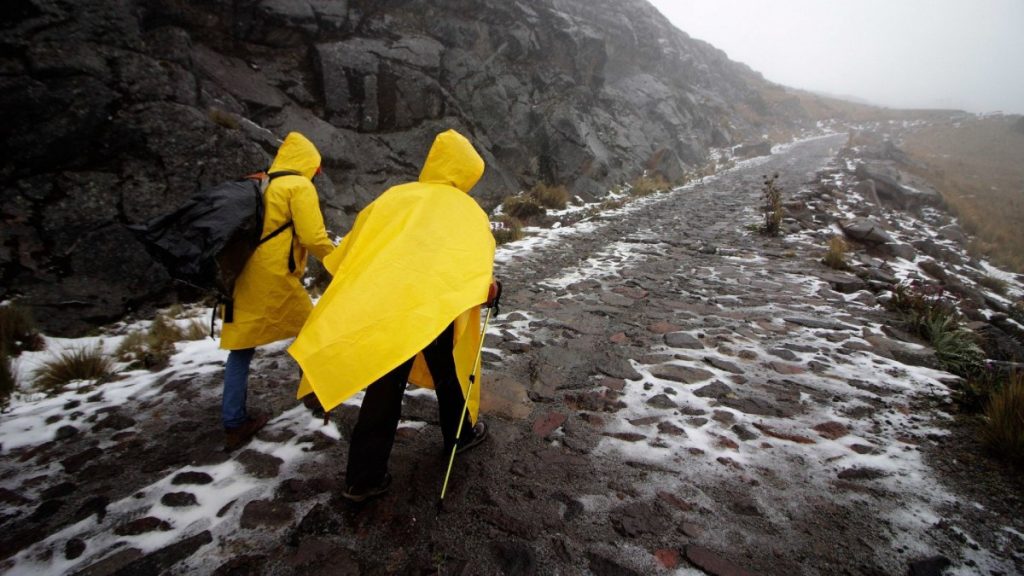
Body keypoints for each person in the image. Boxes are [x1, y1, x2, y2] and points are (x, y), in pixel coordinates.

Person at [288, 129, 498, 502]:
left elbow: (355, 249)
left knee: (386, 385)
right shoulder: (466, 211)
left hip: (386, 308)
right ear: (467, 172)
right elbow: (474, 268)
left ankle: (365, 478)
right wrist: (491, 290)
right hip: (433, 310)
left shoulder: (394, 197)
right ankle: (459, 435)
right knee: (448, 371)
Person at [219, 132, 335, 451]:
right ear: (309, 164)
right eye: (316, 169)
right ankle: (315, 393)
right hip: (273, 279)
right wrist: (340, 262)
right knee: (311, 330)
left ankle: (234, 423)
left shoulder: (259, 183)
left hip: (239, 274)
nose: (316, 175)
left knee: (241, 349)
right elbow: (312, 237)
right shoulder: (298, 187)